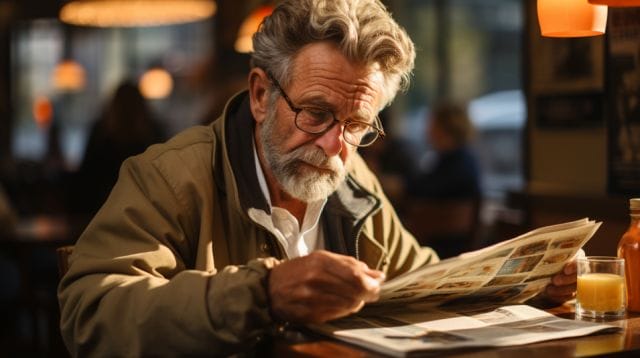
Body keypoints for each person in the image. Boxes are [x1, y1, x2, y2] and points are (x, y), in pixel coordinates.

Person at [58, 1, 579, 356]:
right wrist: (261, 294)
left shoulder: (353, 180)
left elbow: (423, 283)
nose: (336, 145)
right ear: (261, 95)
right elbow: (90, 312)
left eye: (355, 124)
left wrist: (527, 287)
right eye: (315, 113)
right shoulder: (170, 177)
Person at [70, 80, 165, 215]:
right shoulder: (152, 134)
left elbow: (86, 180)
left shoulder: (101, 133)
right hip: (146, 213)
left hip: (102, 210)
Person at [407, 100, 481, 200]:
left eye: (432, 124)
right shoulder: (464, 159)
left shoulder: (457, 164)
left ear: (444, 129)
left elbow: (426, 190)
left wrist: (401, 187)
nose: (427, 131)